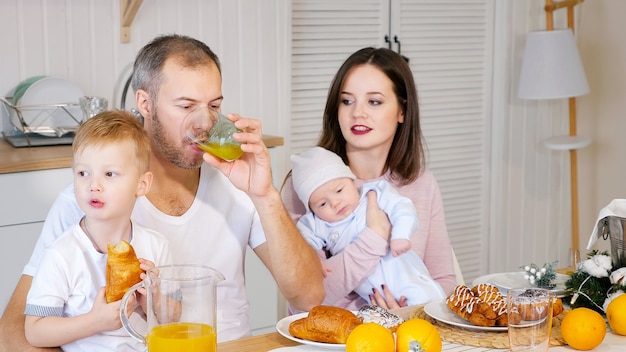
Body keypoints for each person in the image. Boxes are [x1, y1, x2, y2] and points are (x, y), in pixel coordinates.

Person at [0, 34, 324, 351]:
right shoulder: (88, 200)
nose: (204, 123)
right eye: (186, 106)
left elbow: (308, 297)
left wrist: (264, 194)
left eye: (214, 106)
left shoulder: (238, 184)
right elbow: (14, 334)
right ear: (145, 103)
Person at [281, 47, 456, 311]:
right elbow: (306, 298)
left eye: (374, 101)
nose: (358, 113)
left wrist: (411, 314)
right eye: (347, 101)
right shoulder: (307, 187)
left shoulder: (421, 183)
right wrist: (374, 237)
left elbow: (444, 280)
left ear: (402, 112)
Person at [23, 111, 171, 351]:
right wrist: (94, 322)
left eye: (109, 174)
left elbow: (173, 319)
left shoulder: (157, 246)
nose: (94, 185)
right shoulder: (61, 254)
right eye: (83, 173)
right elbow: (35, 331)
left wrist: (152, 300)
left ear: (142, 184)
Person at [291, 146, 445, 307]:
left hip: (402, 273)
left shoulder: (373, 193)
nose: (335, 203)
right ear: (312, 209)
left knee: (426, 301)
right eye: (322, 203)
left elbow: (402, 208)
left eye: (339, 190)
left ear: (351, 181)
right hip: (372, 299)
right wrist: (313, 261)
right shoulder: (317, 224)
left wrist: (401, 234)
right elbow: (301, 243)